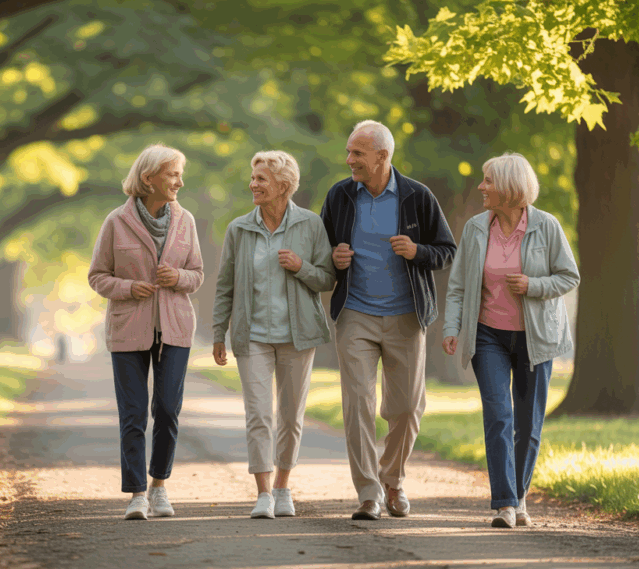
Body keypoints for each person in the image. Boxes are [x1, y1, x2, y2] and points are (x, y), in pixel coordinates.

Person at [320, 120, 457, 520]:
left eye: (357, 153)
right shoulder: (341, 195)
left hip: (406, 316)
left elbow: (447, 250)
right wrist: (332, 258)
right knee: (358, 404)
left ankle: (392, 480)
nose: (349, 160)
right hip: (356, 315)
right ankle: (368, 493)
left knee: (407, 407)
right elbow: (319, 247)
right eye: (348, 152)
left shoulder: (417, 196)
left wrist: (417, 252)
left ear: (383, 156)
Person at [442, 152, 579, 528]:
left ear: (509, 188)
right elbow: (458, 287)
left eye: (488, 181)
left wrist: (533, 285)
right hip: (487, 335)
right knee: (499, 414)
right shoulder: (475, 228)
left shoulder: (546, 226)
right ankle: (504, 503)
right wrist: (452, 327)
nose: (481, 187)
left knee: (528, 424)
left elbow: (569, 277)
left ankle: (519, 498)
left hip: (536, 339)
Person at [212, 151, 336, 519]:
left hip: (298, 336)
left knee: (291, 415)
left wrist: (301, 267)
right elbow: (224, 286)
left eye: (261, 179)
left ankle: (283, 486)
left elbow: (328, 278)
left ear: (283, 185)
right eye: (253, 178)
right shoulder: (239, 229)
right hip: (252, 336)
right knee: (258, 415)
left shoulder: (311, 225)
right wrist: (219, 331)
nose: (253, 184)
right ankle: (263, 493)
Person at [88, 143, 204, 520]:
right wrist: (127, 288)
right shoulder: (115, 222)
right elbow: (97, 276)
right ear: (148, 177)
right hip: (128, 330)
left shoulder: (185, 221)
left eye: (179, 174)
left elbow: (198, 274)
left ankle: (159, 486)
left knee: (168, 409)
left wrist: (178, 278)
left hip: (175, 330)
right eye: (172, 175)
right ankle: (137, 494)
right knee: (133, 413)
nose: (179, 182)